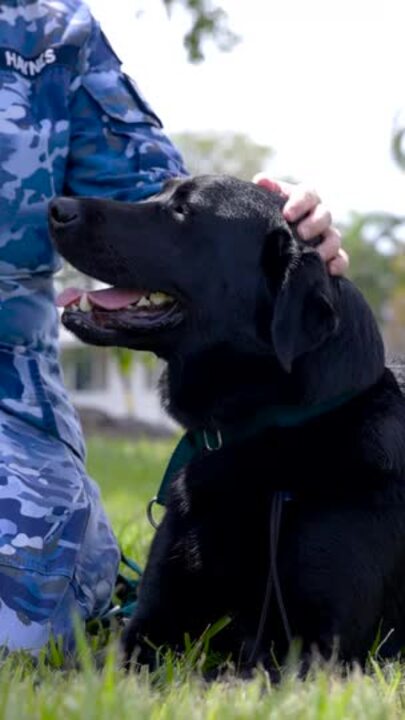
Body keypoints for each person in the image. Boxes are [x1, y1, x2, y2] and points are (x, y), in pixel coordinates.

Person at [0, 0, 347, 652]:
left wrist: (284, 237)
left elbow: (172, 216)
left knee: (20, 631)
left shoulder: (44, 30)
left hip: (5, 401)